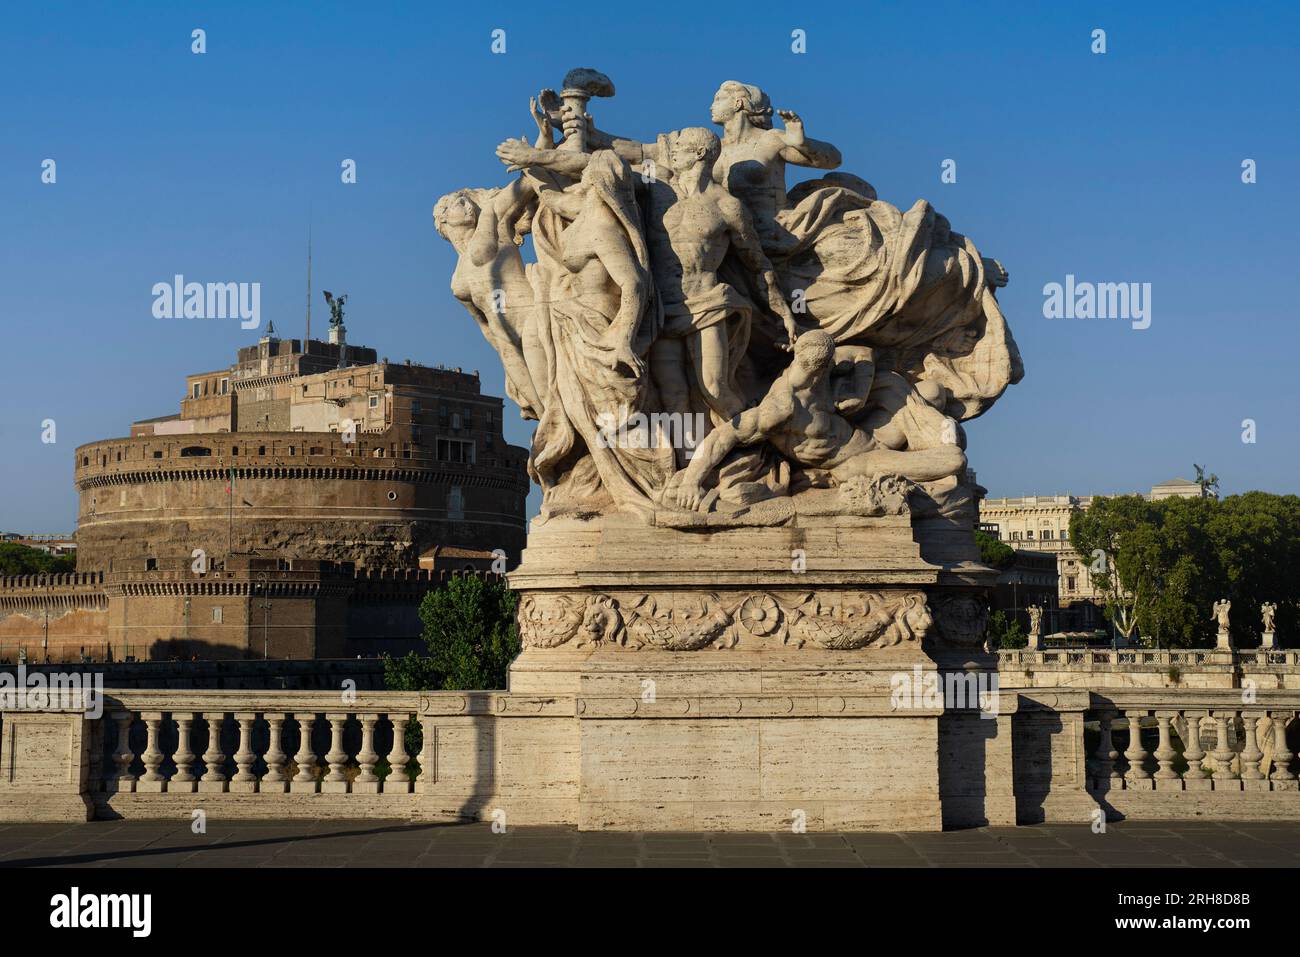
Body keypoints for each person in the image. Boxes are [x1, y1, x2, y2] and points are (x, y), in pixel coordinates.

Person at [665, 330, 965, 510]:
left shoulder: (821, 369)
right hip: (856, 464)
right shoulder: (780, 408)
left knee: (931, 391)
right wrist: (692, 481)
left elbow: (863, 354)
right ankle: (937, 441)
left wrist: (859, 394)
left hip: (871, 436)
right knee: (954, 460)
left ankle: (932, 433)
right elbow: (724, 435)